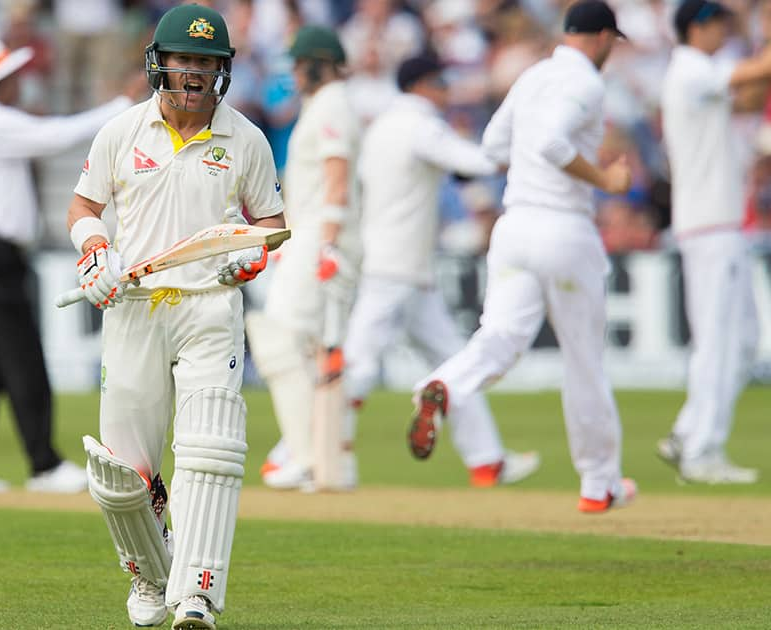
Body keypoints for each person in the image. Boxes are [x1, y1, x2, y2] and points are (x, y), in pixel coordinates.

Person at [66, 5, 284, 628]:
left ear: (223, 70)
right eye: (185, 60)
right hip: (134, 307)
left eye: (207, 63)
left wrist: (251, 258)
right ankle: (148, 578)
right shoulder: (122, 131)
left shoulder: (245, 139)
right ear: (160, 63)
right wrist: (95, 249)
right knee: (121, 471)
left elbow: (269, 226)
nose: (194, 73)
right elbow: (84, 205)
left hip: (210, 307)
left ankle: (197, 595)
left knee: (208, 450)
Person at [408, 0, 637, 513]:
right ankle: (599, 483)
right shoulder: (585, 83)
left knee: (500, 337)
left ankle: (443, 383)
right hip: (563, 228)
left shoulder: (534, 75)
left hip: (514, 227)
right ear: (601, 38)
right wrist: (607, 180)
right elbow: (554, 144)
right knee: (584, 361)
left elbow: (493, 145)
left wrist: (531, 166)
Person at [0, 38, 133, 494]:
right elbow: (56, 137)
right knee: (21, 356)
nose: (20, 83)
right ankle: (44, 464)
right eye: (12, 77)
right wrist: (122, 104)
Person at [346, 55, 540, 488]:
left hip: (401, 266)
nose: (447, 89)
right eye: (440, 81)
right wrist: (521, 151)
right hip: (396, 268)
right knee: (357, 365)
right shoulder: (420, 124)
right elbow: (475, 163)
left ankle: (488, 460)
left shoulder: (380, 126)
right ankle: (304, 454)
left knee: (455, 366)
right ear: (420, 84)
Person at [657, 0, 771, 484]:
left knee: (742, 340)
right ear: (696, 27)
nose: (725, 29)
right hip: (710, 226)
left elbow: (749, 94)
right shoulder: (689, 70)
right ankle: (702, 450)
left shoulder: (705, 73)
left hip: (721, 225)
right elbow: (755, 72)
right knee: (718, 340)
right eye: (719, 23)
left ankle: (687, 434)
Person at [244, 25, 362, 491]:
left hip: (321, 240)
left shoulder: (333, 104)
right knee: (314, 351)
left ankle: (307, 454)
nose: (293, 73)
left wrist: (328, 241)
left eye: (298, 64)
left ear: (317, 62)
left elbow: (338, 176)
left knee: (281, 339)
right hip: (309, 237)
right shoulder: (321, 105)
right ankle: (326, 458)